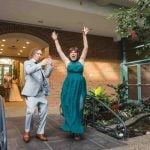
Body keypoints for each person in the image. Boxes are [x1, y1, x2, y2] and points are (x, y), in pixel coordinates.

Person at [51, 27, 89, 140]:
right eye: (71, 52)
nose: (73, 54)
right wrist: (55, 40)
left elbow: (86, 48)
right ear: (69, 54)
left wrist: (84, 35)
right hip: (69, 87)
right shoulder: (67, 62)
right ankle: (74, 129)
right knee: (69, 106)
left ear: (77, 54)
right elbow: (59, 51)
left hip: (80, 88)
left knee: (79, 107)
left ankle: (77, 130)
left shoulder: (81, 61)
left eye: (75, 52)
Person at [21, 48, 53, 143]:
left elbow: (46, 75)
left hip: (41, 94)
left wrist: (50, 65)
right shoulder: (28, 63)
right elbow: (28, 71)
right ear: (33, 54)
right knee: (30, 112)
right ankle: (27, 132)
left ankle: (40, 132)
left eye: (40, 54)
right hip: (31, 94)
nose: (40, 55)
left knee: (43, 113)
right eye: (38, 54)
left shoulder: (40, 67)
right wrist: (41, 64)